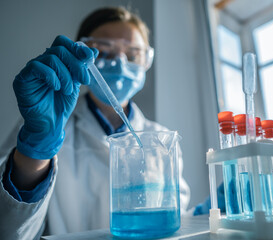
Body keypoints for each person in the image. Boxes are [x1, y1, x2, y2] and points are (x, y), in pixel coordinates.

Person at [0, 7, 190, 240]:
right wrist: (37, 151)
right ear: (83, 58)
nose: (120, 63)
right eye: (104, 51)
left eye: (132, 55)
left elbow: (174, 214)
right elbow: (9, 229)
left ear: (146, 61)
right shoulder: (44, 123)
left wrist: (205, 214)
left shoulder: (161, 138)